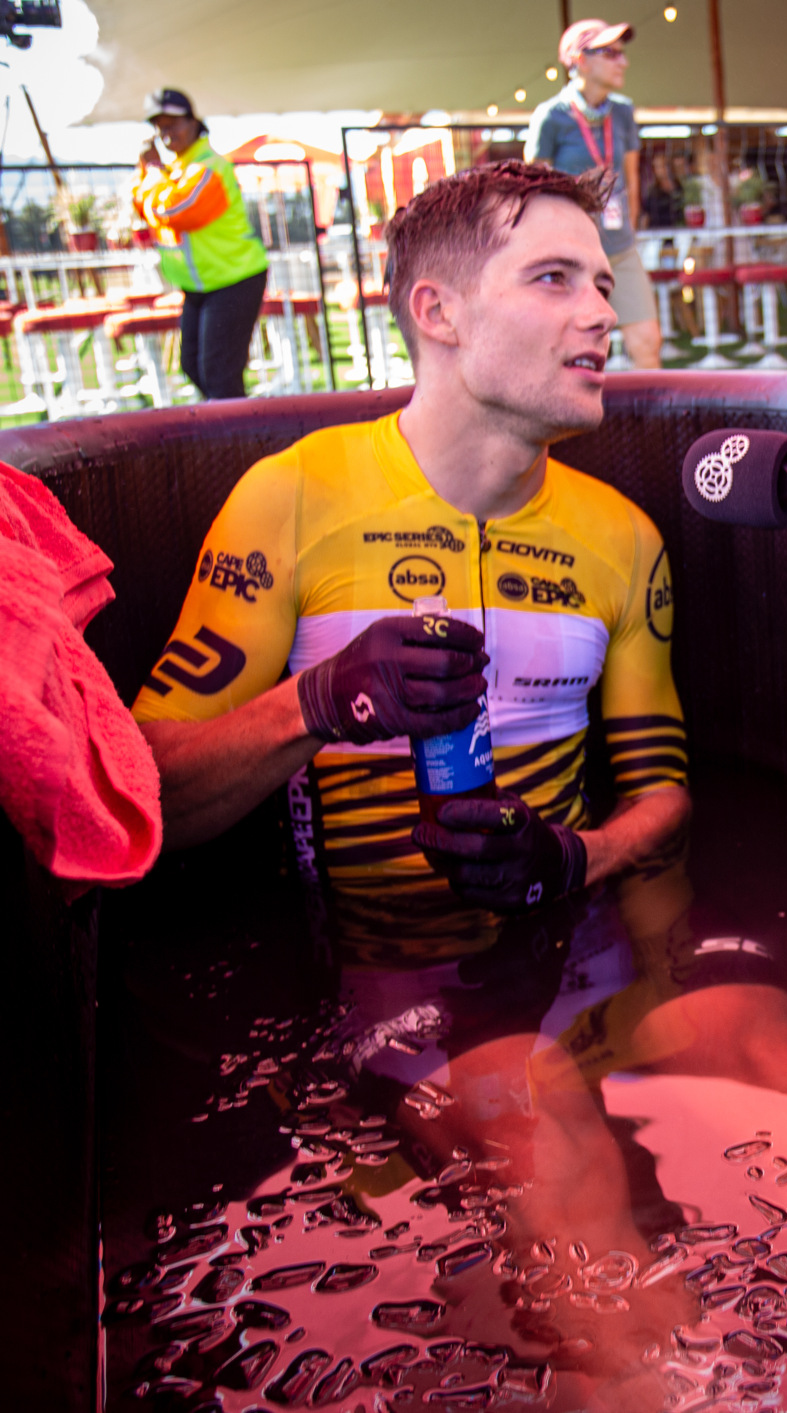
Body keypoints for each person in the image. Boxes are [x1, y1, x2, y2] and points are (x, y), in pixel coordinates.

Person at [130, 161, 691, 952]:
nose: (603, 312)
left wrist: (572, 860)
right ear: (438, 311)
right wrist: (319, 702)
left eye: (602, 285)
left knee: (762, 1023)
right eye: (554, 279)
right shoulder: (291, 498)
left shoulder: (625, 536)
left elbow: (662, 794)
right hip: (366, 969)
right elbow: (140, 794)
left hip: (574, 941)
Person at [527, 19, 663, 369]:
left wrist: (629, 226)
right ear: (581, 61)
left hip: (620, 247)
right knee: (569, 353)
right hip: (569, 256)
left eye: (622, 53)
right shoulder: (551, 117)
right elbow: (532, 191)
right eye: (611, 53)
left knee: (648, 342)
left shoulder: (623, 112)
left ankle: (648, 409)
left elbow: (630, 177)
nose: (623, 62)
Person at [131, 88, 269, 400]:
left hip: (234, 279)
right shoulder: (176, 172)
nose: (167, 133)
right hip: (201, 285)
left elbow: (172, 211)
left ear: (194, 123)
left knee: (219, 376)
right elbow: (143, 204)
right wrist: (151, 176)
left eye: (173, 124)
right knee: (193, 366)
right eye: (160, 127)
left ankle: (240, 430)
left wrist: (152, 173)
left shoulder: (209, 168)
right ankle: (234, 425)